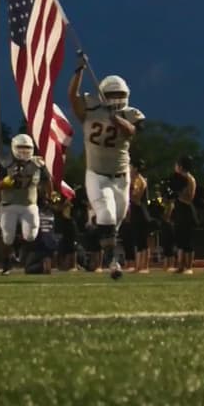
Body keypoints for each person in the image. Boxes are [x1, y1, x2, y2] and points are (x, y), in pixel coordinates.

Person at [69, 60, 145, 279]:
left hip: (121, 178)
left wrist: (115, 118)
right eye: (111, 95)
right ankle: (113, 263)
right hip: (96, 174)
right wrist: (79, 72)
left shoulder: (130, 113)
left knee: (115, 221)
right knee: (108, 214)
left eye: (119, 94)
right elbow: (72, 98)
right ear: (102, 95)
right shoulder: (91, 108)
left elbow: (132, 131)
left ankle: (96, 229)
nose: (116, 99)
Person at [0, 134, 51, 276]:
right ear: (14, 148)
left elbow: (47, 180)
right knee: (7, 237)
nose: (24, 151)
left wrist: (49, 196)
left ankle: (22, 253)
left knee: (31, 236)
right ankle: (7, 265)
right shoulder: (6, 163)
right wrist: (6, 182)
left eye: (27, 148)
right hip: (9, 204)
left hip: (29, 204)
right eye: (21, 148)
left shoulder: (37, 164)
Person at [169, 157, 198, 275]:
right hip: (179, 210)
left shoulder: (190, 179)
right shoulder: (178, 179)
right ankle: (180, 266)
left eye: (176, 165)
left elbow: (190, 197)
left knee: (187, 240)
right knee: (180, 239)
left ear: (181, 167)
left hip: (187, 210)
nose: (175, 168)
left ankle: (189, 267)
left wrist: (179, 193)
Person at [126, 158, 152, 273]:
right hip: (136, 211)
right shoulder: (134, 179)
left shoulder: (140, 180)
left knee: (143, 241)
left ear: (136, 168)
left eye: (131, 167)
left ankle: (144, 266)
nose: (129, 168)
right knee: (138, 240)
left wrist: (128, 188)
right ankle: (138, 266)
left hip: (141, 211)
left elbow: (135, 197)